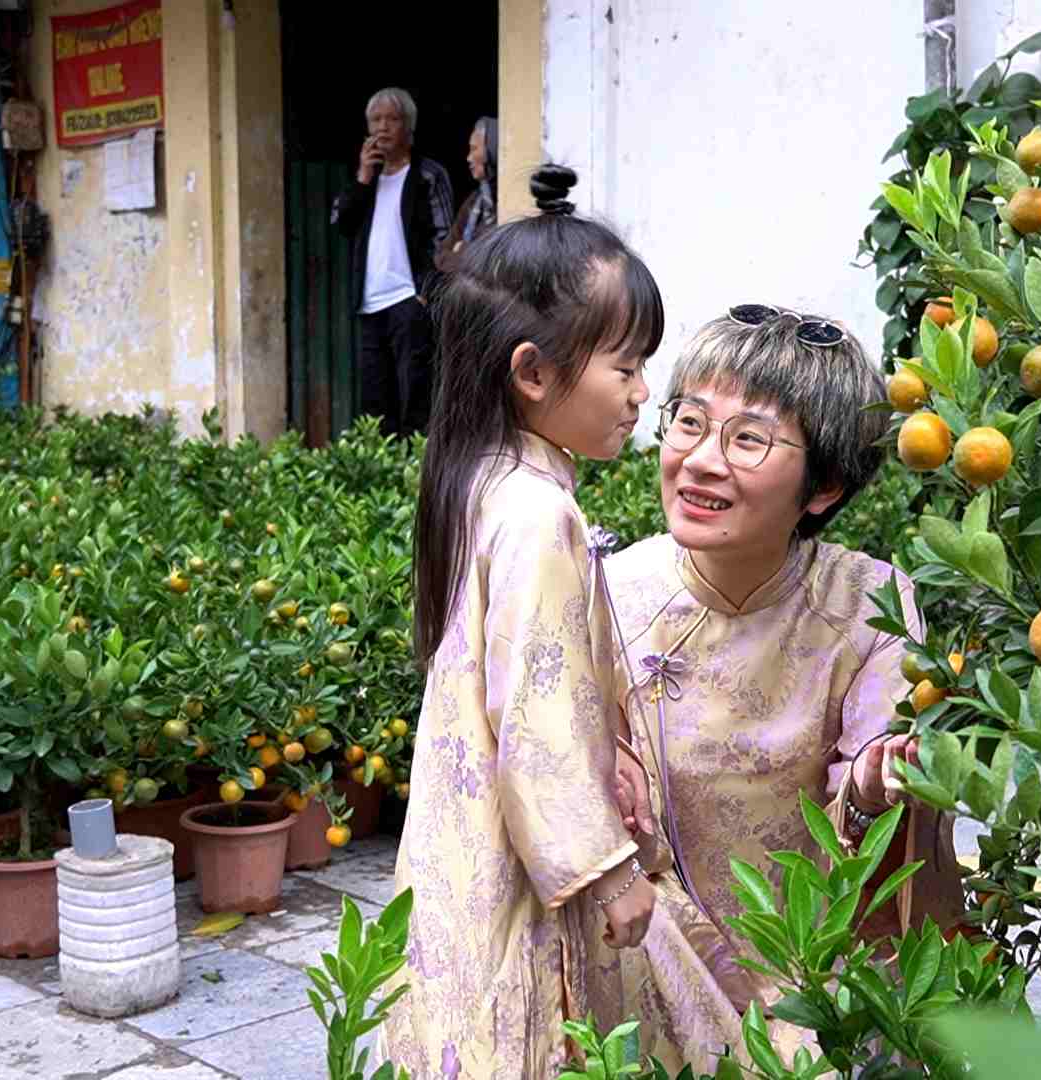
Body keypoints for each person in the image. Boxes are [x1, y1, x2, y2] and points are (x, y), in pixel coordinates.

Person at [597, 307, 963, 1069]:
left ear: (824, 486)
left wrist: (871, 787)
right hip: (647, 952)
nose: (700, 460)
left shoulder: (871, 606)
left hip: (812, 967)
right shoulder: (609, 592)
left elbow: (874, 817)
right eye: (690, 422)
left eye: (749, 439)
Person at [383, 165, 667, 1078]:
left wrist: (615, 747)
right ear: (533, 373)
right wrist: (604, 870)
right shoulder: (538, 512)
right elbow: (537, 717)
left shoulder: (485, 481)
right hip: (517, 856)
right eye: (627, 366)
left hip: (461, 835)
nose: (642, 393)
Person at [331, 87, 454, 435]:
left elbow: (445, 242)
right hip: (370, 304)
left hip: (410, 299)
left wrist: (427, 293)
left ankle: (416, 470)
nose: (383, 127)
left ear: (409, 127)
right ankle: (382, 476)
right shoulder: (361, 177)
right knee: (375, 399)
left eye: (392, 119)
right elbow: (342, 224)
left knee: (416, 394)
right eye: (375, 120)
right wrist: (362, 179)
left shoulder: (428, 174)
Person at [436, 116, 498, 275]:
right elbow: (441, 255)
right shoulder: (474, 200)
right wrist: (467, 255)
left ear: (493, 149)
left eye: (474, 149)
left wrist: (461, 250)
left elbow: (491, 262)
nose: (468, 158)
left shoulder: (508, 198)